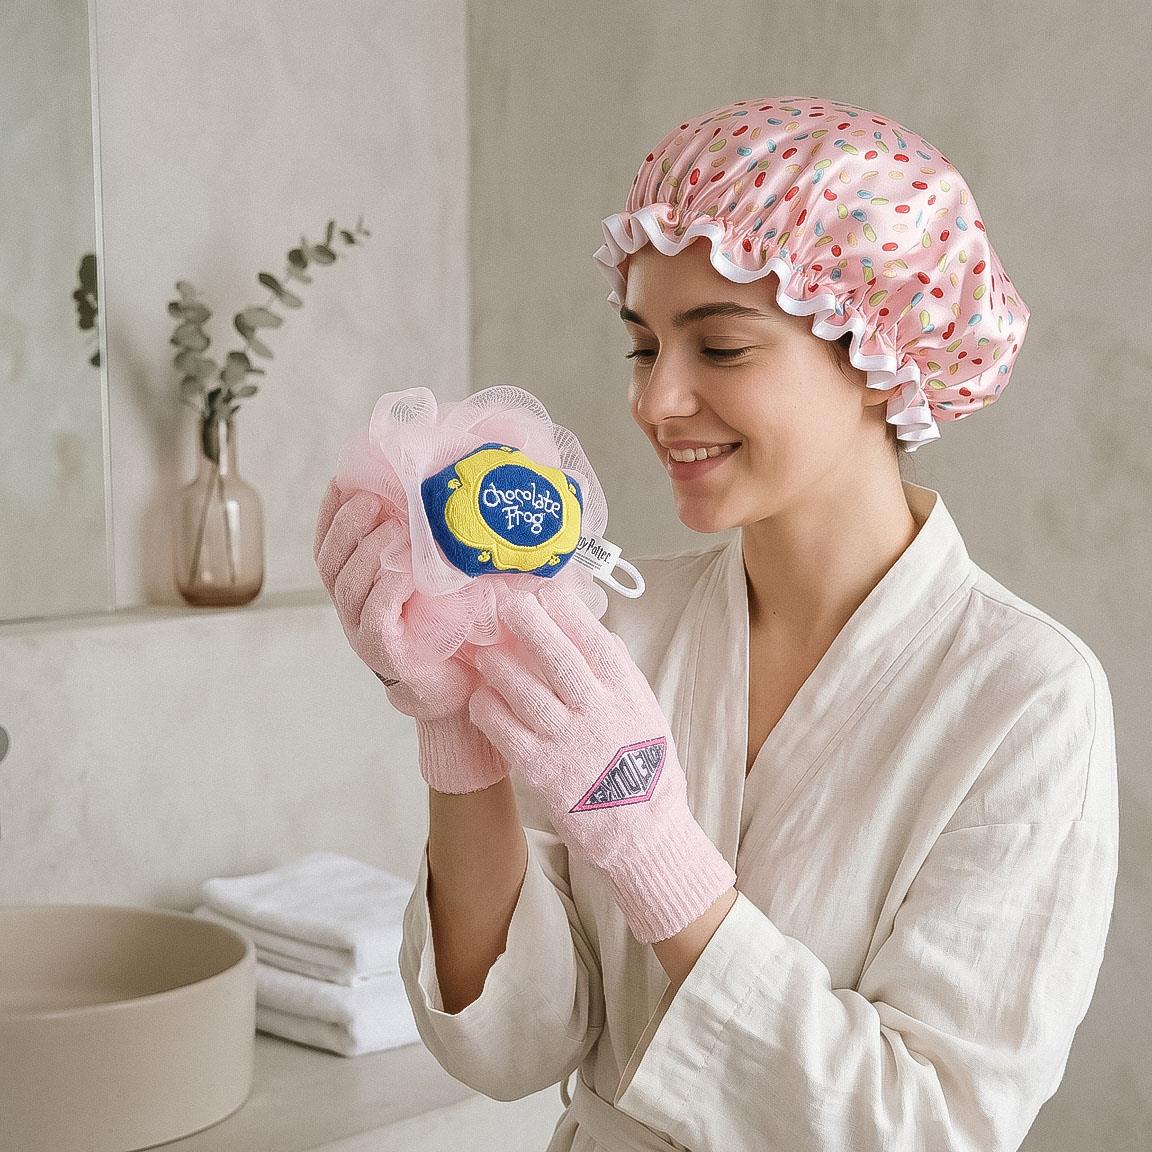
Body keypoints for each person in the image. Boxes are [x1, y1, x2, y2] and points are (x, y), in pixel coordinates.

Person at [314, 97, 1119, 1151]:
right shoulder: (614, 629)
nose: (656, 402)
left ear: (877, 353)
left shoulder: (1027, 699)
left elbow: (928, 1128)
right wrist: (452, 720)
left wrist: (655, 853)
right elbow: (509, 1049)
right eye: (644, 347)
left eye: (723, 348)